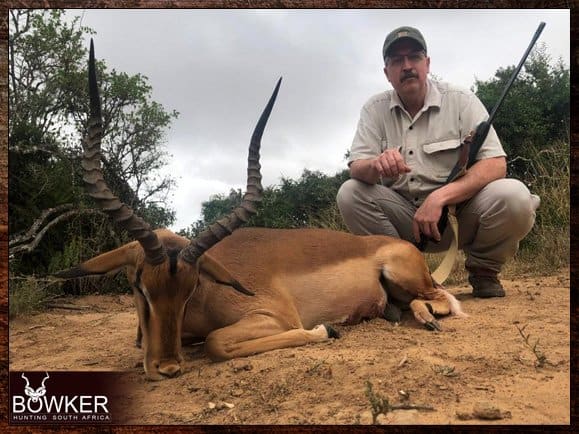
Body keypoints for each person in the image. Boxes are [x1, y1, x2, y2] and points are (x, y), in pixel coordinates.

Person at [337, 26, 540, 298]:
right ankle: (404, 274)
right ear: (387, 73)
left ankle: (484, 271)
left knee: (515, 195)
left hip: (459, 217)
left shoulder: (461, 100)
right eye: (397, 60)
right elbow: (356, 168)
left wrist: (440, 197)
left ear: (427, 63)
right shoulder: (374, 109)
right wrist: (375, 164)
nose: (407, 66)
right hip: (404, 224)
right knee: (349, 193)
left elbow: (496, 164)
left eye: (415, 57)